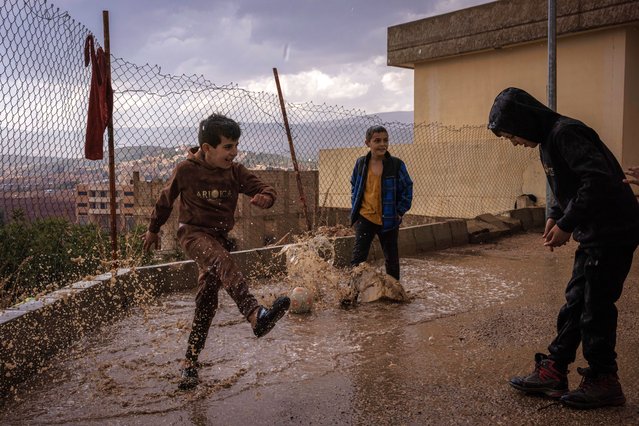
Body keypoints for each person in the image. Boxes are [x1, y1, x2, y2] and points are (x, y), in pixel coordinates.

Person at [488, 87, 639, 409]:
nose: (514, 142)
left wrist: (567, 223)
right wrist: (556, 214)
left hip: (614, 230)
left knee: (595, 308)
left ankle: (604, 380)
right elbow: (564, 186)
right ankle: (554, 370)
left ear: (524, 121)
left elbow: (596, 180)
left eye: (512, 135)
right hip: (595, 231)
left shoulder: (567, 132)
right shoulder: (547, 144)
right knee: (575, 303)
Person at [143, 113, 290, 390]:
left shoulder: (235, 171)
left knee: (207, 301)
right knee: (221, 259)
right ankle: (255, 315)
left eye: (236, 146)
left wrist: (265, 198)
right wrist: (153, 229)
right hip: (192, 234)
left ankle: (189, 363)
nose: (234, 152)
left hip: (219, 238)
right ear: (207, 148)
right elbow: (165, 201)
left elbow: (265, 188)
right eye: (228, 147)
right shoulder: (185, 170)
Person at [350, 125, 413, 281]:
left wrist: (399, 211)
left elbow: (407, 188)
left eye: (385, 140)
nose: (382, 144)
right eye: (377, 141)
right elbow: (354, 186)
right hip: (365, 218)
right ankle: (352, 294)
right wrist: (356, 210)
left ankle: (395, 293)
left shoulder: (396, 165)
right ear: (368, 143)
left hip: (389, 219)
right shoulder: (361, 164)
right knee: (358, 259)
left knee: (391, 259)